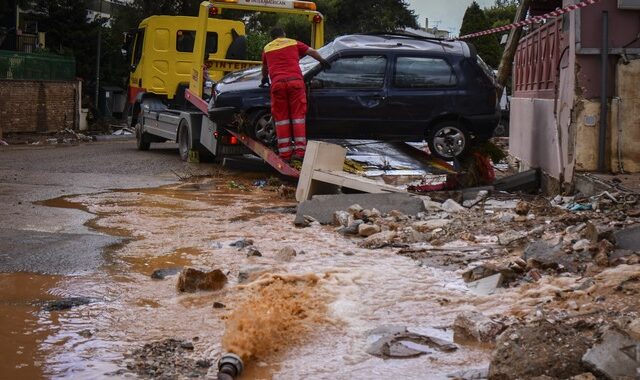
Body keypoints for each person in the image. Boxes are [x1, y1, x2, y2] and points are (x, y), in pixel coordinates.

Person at [261, 27, 330, 163]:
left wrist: (264, 78)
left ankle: (285, 155)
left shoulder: (267, 48)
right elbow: (312, 52)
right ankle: (299, 152)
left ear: (272, 38)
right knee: (298, 118)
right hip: (295, 83)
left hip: (278, 85)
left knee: (282, 119)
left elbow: (265, 68)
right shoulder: (292, 42)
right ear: (284, 34)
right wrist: (322, 61)